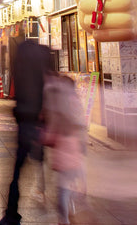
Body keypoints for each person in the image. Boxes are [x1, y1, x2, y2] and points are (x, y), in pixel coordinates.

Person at [0, 35, 49, 225]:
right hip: (38, 122)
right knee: (41, 165)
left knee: (17, 172)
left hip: (26, 122)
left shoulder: (22, 65)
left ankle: (11, 214)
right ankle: (46, 197)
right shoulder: (42, 64)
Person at [42, 73, 86, 225]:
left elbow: (53, 127)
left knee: (63, 186)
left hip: (63, 147)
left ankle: (64, 218)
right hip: (74, 148)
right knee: (71, 181)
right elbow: (82, 124)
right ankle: (70, 210)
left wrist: (46, 138)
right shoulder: (75, 103)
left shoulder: (60, 106)